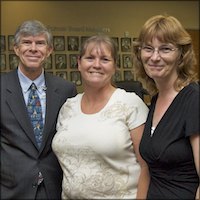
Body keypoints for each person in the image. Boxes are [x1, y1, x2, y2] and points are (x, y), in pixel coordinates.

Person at [52, 35, 150, 199]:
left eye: (105, 59)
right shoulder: (68, 107)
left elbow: (147, 166)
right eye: (90, 58)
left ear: (114, 67)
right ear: (79, 63)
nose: (96, 65)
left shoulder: (130, 104)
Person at [1, 20, 77, 199]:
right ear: (16, 48)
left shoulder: (66, 90)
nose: (33, 48)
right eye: (27, 42)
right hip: (10, 189)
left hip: (54, 188)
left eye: (40, 43)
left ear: (49, 50)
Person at [132, 14, 199, 199]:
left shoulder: (194, 100)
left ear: (181, 54)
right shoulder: (156, 99)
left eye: (165, 49)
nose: (154, 57)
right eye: (148, 48)